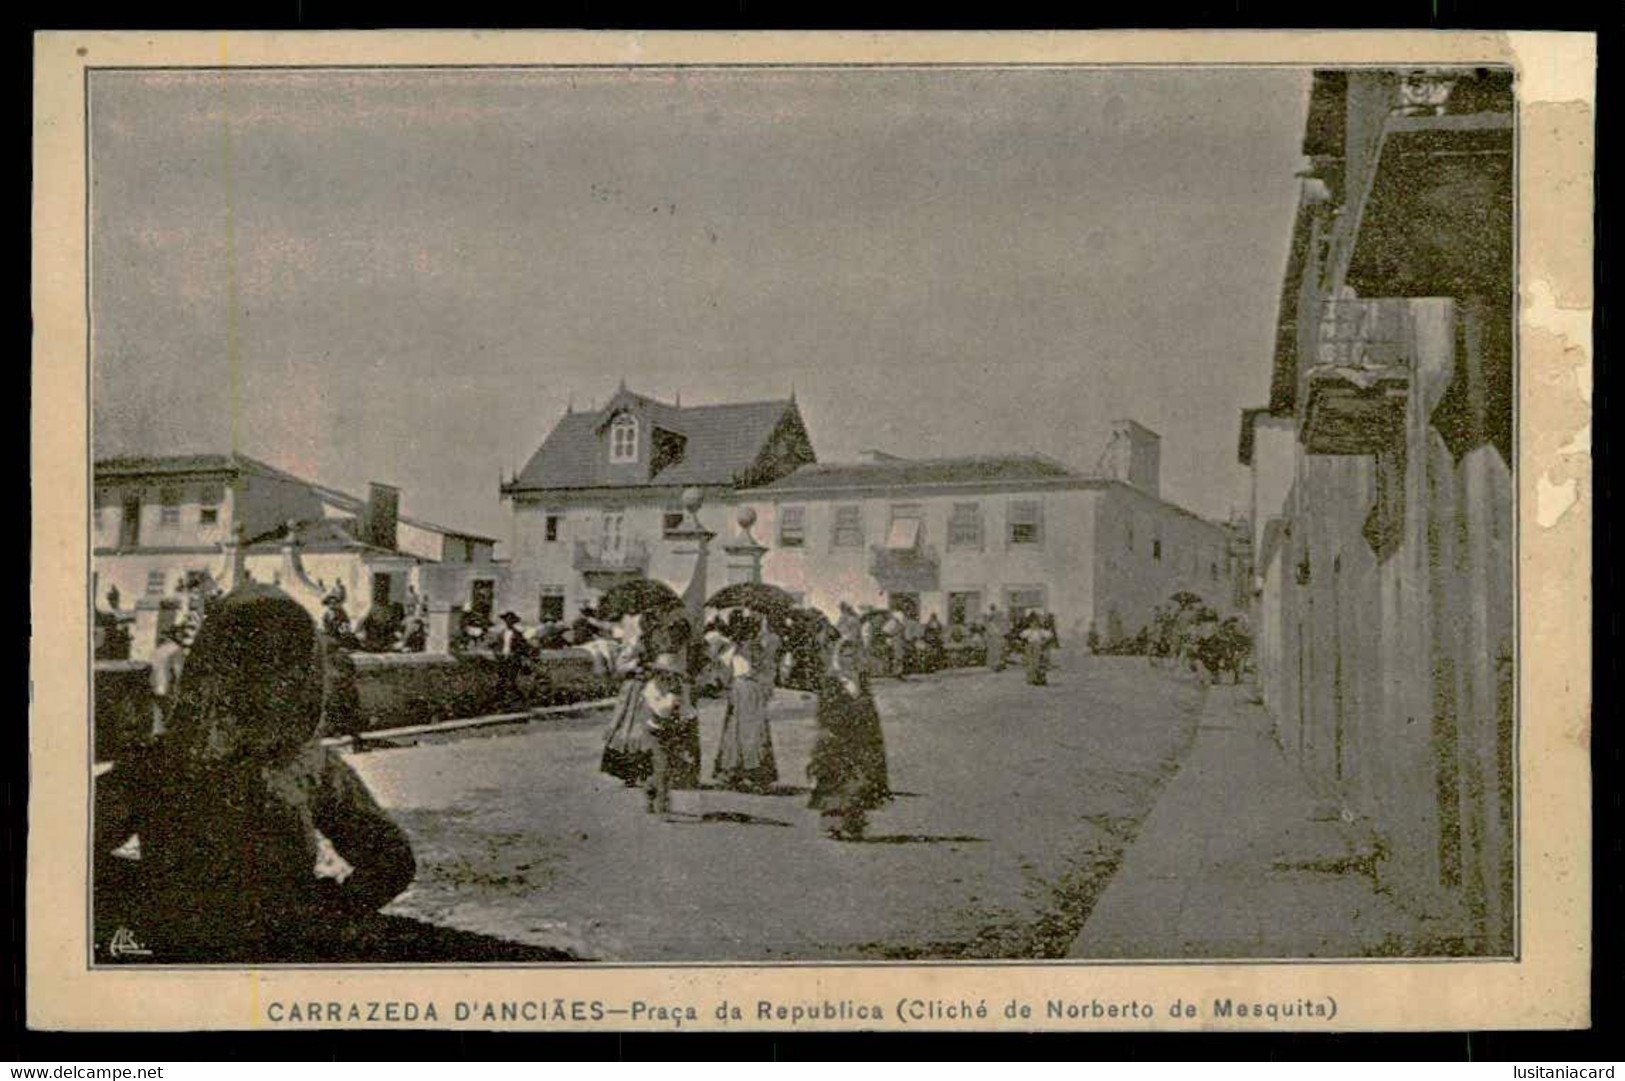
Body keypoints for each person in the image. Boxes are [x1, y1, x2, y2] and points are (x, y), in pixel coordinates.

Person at [92, 585, 416, 963]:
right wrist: (328, 908)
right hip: (260, 954)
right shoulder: (309, 767)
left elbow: (64, 851)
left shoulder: (158, 763)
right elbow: (390, 861)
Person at [808, 629, 892, 841]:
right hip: (837, 740)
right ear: (838, 657)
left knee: (858, 783)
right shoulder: (831, 681)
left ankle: (854, 824)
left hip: (861, 739)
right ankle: (833, 825)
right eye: (845, 656)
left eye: (853, 655)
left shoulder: (862, 680)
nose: (850, 660)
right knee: (836, 784)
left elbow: (870, 709)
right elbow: (824, 712)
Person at [712, 619, 779, 793]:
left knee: (752, 731)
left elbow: (764, 668)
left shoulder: (754, 648)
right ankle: (734, 772)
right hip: (740, 689)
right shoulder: (734, 649)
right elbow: (722, 668)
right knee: (736, 731)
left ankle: (754, 774)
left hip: (749, 689)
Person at [641, 648, 700, 816]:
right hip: (656, 729)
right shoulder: (651, 688)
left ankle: (651, 790)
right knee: (662, 765)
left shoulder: (680, 687)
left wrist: (686, 719)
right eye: (663, 673)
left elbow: (687, 708)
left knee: (670, 765)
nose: (668, 677)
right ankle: (662, 803)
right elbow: (661, 711)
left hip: (674, 729)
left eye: (672, 674)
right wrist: (672, 698)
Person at [600, 613, 654, 787]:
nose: (649, 628)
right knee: (628, 727)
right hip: (633, 690)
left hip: (650, 689)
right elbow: (619, 666)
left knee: (648, 728)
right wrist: (636, 664)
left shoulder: (656, 644)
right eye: (647, 624)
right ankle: (627, 772)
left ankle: (646, 772)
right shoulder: (633, 644)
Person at [147, 624, 189, 740]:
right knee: (170, 712)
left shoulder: (158, 650)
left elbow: (151, 668)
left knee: (157, 710)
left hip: (155, 684)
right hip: (167, 685)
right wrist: (178, 686)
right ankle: (166, 736)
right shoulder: (176, 650)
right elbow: (178, 671)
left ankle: (156, 733)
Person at [493, 611, 533, 709]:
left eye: (511, 620)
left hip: (514, 660)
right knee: (501, 680)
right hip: (503, 660)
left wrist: (520, 656)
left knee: (511, 681)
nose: (508, 622)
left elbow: (524, 647)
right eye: (507, 620)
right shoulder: (501, 633)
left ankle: (517, 701)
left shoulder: (518, 634)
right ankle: (504, 702)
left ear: (513, 622)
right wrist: (497, 654)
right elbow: (497, 646)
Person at [1021, 613, 1057, 686]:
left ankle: (1040, 679)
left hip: (1039, 648)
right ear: (1030, 624)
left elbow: (1050, 636)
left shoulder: (1041, 631)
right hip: (1030, 649)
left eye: (1036, 623)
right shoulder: (1027, 631)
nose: (1034, 625)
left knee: (1039, 664)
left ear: (1038, 624)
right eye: (1032, 623)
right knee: (1031, 664)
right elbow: (1022, 637)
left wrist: (1044, 642)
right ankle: (1031, 679)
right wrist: (1026, 644)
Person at [986, 606, 1010, 672]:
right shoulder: (991, 626)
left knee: (1000, 651)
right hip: (994, 640)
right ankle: (994, 665)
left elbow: (1003, 632)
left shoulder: (998, 625)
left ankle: (1000, 664)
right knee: (995, 652)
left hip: (998, 639)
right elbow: (990, 633)